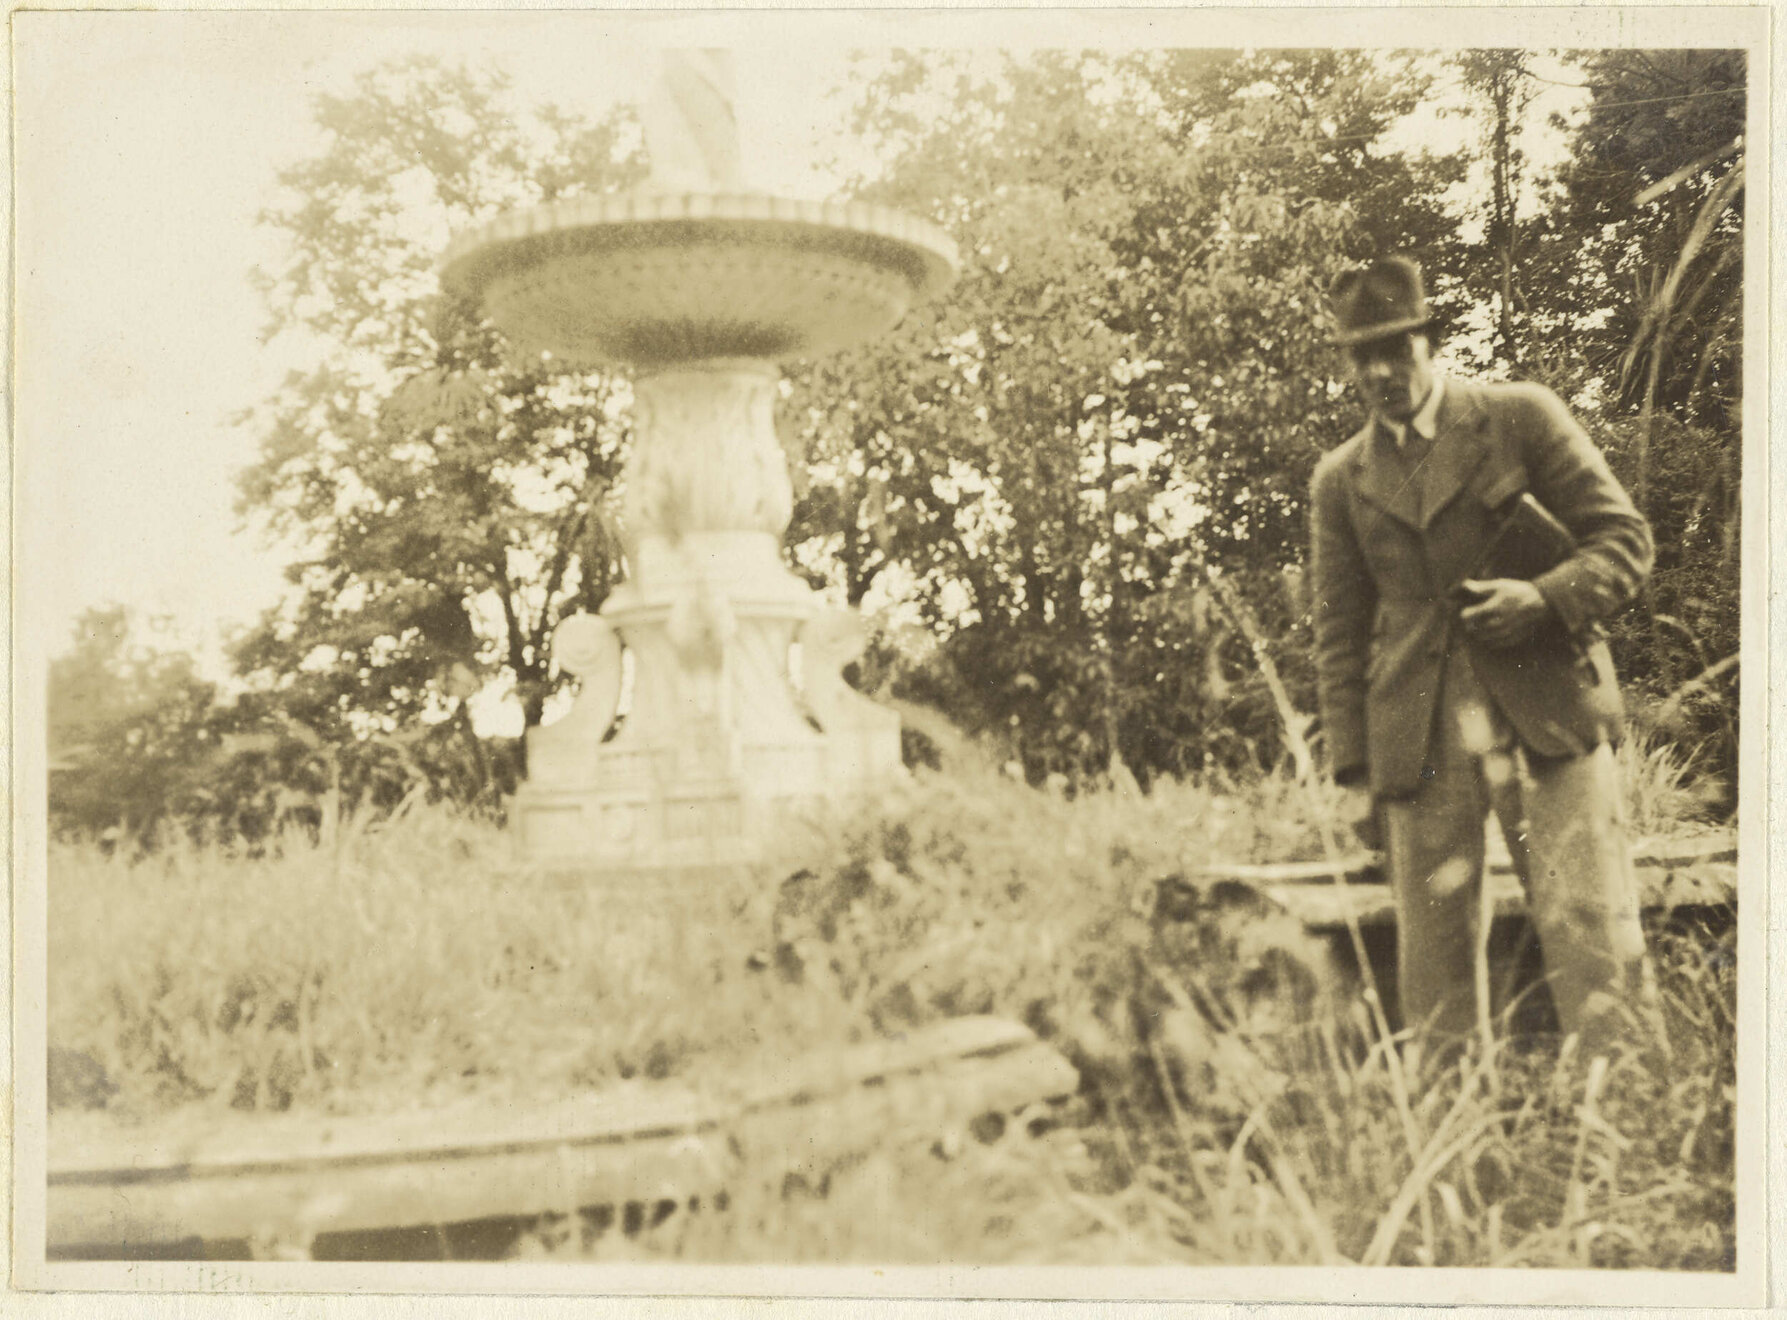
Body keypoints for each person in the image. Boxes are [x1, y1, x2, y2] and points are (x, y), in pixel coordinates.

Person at [1307, 255, 1659, 1052]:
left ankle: (1627, 1128)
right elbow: (1337, 638)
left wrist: (1542, 599)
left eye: (1396, 348)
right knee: (1432, 969)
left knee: (1591, 931)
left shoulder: (1518, 417)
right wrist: (1353, 773)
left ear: (1429, 342)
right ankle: (1455, 1147)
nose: (1380, 370)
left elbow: (1624, 541)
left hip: (1545, 712)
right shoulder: (1340, 479)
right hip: (1419, 738)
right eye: (1363, 355)